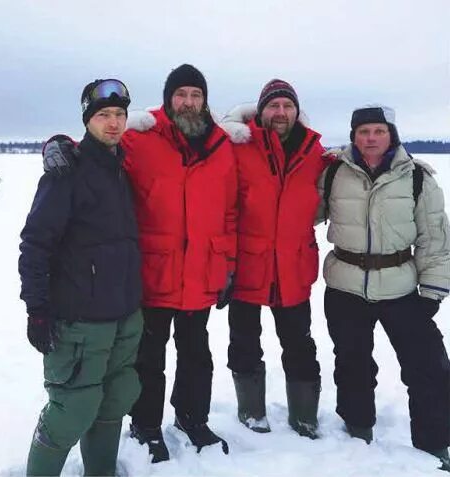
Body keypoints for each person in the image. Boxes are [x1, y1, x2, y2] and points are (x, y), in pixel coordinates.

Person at [43, 64, 237, 463]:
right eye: (181, 94)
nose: (188, 102)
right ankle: (146, 425)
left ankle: (192, 418)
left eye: (196, 95)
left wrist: (227, 263)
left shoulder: (222, 146)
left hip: (202, 271)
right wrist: (56, 143)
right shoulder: (141, 139)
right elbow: (94, 148)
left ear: (205, 101)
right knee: (149, 356)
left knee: (197, 353)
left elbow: (230, 211)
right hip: (152, 273)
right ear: (168, 100)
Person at [18, 78, 143, 477]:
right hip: (78, 321)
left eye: (120, 115)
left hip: (123, 315)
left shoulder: (122, 166)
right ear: (87, 120)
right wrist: (37, 309)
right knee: (72, 410)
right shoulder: (66, 171)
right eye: (104, 115)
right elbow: (35, 245)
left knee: (114, 401)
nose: (114, 123)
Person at [318, 104, 450, 471]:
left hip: (401, 287)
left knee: (429, 367)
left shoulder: (418, 178)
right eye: (363, 132)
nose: (370, 138)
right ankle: (358, 428)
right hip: (345, 285)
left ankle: (434, 442)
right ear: (352, 136)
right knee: (352, 363)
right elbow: (301, 211)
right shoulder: (332, 174)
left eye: (378, 131)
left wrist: (433, 291)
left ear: (391, 134)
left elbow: (435, 238)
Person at [219, 79, 327, 438]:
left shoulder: (314, 153)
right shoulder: (237, 147)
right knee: (244, 342)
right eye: (273, 106)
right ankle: (252, 411)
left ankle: (304, 415)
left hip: (293, 266)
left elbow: (362, 165)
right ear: (261, 110)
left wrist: (406, 163)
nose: (281, 113)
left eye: (288, 106)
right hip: (246, 266)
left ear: (297, 112)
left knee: (299, 343)